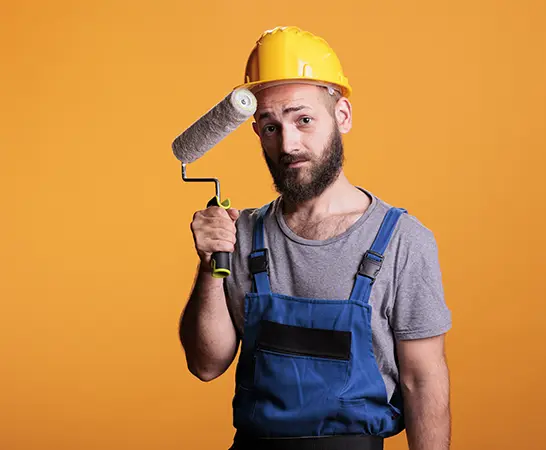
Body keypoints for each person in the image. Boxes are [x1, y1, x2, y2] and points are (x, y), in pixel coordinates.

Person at [179, 26, 452, 450]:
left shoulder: (402, 241)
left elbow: (423, 381)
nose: (288, 144)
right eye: (270, 127)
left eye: (303, 119)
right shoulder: (242, 232)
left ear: (341, 115)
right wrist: (209, 265)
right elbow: (206, 364)